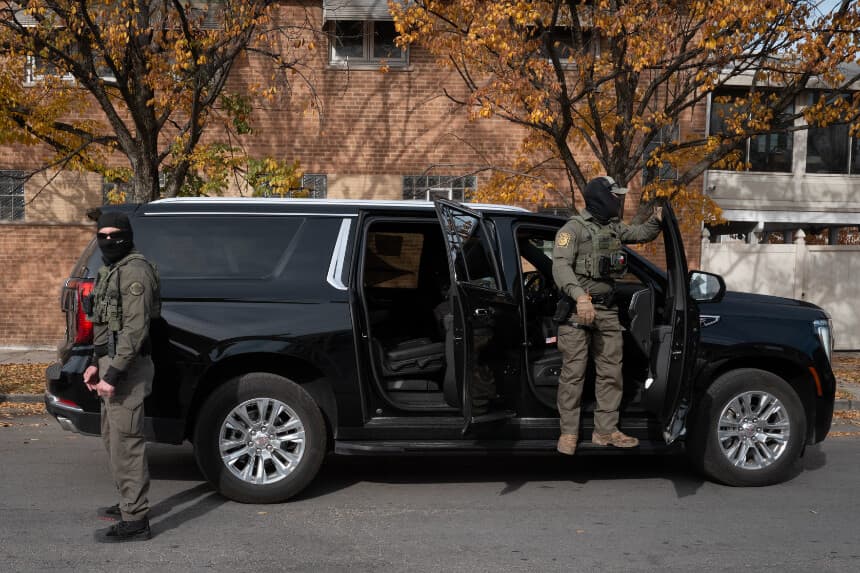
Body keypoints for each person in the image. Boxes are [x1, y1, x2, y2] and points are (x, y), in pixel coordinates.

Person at [552, 176, 662, 455]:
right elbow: (561, 267)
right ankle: (568, 433)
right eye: (614, 196)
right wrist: (579, 297)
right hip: (579, 311)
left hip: (607, 311)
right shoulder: (572, 230)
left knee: (611, 373)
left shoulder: (612, 228)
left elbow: (639, 234)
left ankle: (605, 431)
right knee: (574, 375)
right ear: (601, 197)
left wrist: (658, 220)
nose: (618, 201)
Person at [82, 211, 160, 542]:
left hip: (126, 370)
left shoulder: (134, 272)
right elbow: (104, 325)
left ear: (127, 236)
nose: (108, 241)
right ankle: (128, 501)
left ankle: (136, 521)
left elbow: (134, 330)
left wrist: (112, 374)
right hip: (110, 366)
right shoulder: (110, 270)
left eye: (115, 234)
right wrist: (93, 362)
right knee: (112, 439)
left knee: (127, 443)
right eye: (102, 235)